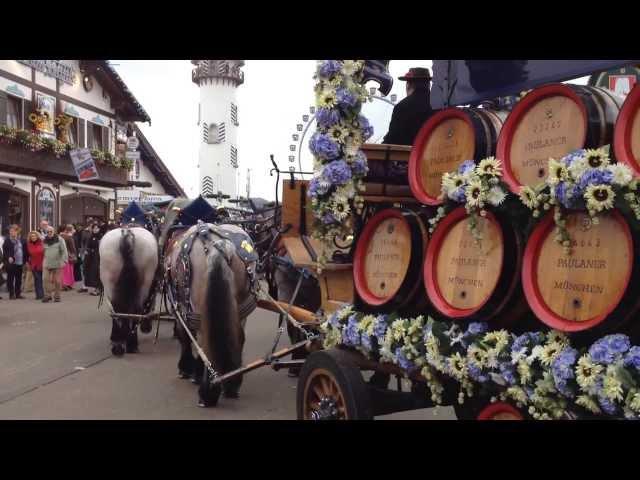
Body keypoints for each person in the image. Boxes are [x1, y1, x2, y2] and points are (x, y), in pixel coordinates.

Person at [383, 67, 435, 146]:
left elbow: (393, 139)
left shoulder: (402, 107)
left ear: (408, 85)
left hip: (408, 156)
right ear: (428, 84)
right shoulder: (440, 104)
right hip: (436, 155)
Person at [2, 225, 29, 300]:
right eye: (10, 231)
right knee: (10, 279)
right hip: (11, 263)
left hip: (20, 262)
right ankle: (11, 294)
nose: (11, 233)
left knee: (19, 279)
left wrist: (26, 260)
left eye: (13, 231)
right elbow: (5, 252)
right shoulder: (7, 241)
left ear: (17, 232)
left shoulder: (22, 240)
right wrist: (8, 257)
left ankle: (18, 294)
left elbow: (25, 251)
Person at [42, 226, 68, 303]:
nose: (49, 233)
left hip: (57, 263)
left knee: (57, 281)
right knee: (45, 279)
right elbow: (43, 251)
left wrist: (64, 261)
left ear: (54, 232)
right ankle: (47, 295)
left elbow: (64, 251)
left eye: (51, 231)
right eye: (48, 232)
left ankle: (57, 296)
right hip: (47, 263)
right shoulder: (44, 240)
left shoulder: (60, 240)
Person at [83, 223, 102, 296]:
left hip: (98, 257)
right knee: (91, 272)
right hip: (91, 257)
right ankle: (95, 288)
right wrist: (87, 251)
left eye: (97, 228)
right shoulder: (91, 236)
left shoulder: (100, 237)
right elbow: (88, 245)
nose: (95, 229)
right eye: (94, 228)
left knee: (97, 272)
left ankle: (98, 289)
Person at [26, 231, 45, 300]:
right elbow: (27, 255)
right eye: (32, 236)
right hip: (33, 265)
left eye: (34, 236)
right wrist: (28, 263)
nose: (33, 237)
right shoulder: (28, 245)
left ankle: (42, 294)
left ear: (37, 236)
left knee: (42, 280)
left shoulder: (42, 243)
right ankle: (39, 295)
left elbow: (45, 253)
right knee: (37, 279)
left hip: (42, 264)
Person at [60, 225, 78, 291]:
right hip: (68, 256)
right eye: (73, 229)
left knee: (64, 271)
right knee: (69, 271)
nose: (74, 230)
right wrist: (75, 255)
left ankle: (63, 284)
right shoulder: (69, 237)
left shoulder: (60, 236)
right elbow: (72, 248)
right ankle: (67, 284)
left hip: (62, 256)